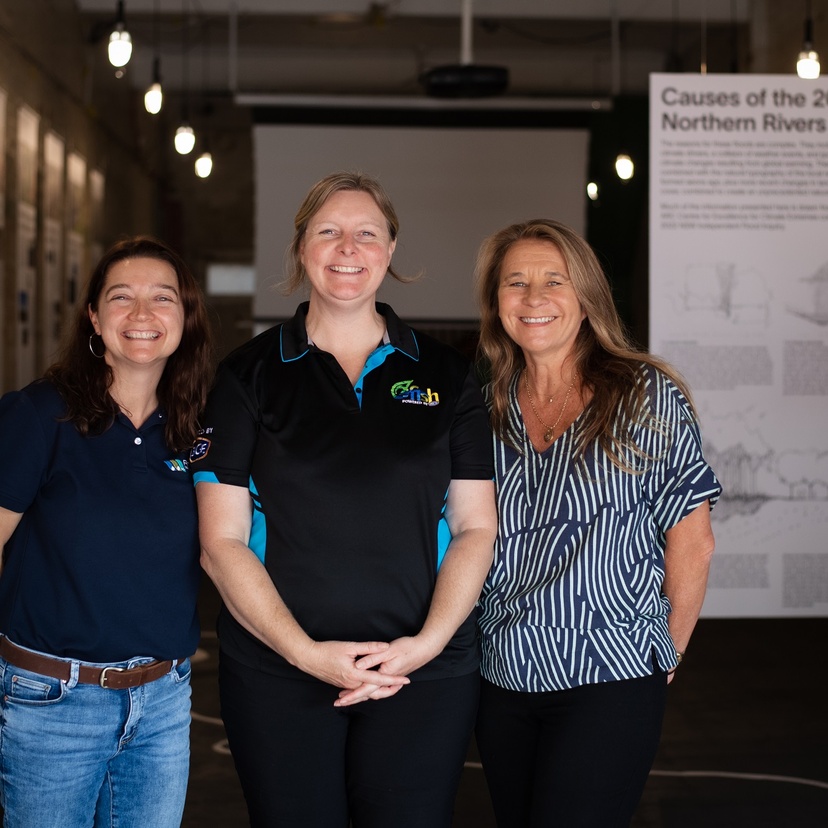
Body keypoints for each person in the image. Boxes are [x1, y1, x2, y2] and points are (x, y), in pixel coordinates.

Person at [191, 171, 497, 828]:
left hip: (421, 673)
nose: (347, 248)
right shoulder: (248, 376)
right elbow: (220, 544)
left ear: (390, 250)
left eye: (366, 233)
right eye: (328, 231)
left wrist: (426, 645)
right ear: (301, 248)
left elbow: (476, 528)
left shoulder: (446, 376)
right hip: (278, 671)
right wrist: (306, 654)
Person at [473, 219, 721, 828]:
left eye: (553, 281)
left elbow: (693, 539)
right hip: (501, 675)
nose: (533, 299)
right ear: (495, 303)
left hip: (611, 675)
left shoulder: (645, 395)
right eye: (516, 283)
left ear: (586, 298)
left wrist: (671, 652)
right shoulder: (484, 410)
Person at [0, 236, 213, 827]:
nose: (142, 315)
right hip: (52, 703)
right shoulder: (41, 415)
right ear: (94, 316)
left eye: (162, 298)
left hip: (164, 703)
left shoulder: (199, 427)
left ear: (184, 316)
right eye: (122, 297)